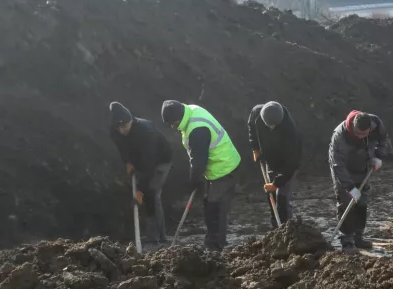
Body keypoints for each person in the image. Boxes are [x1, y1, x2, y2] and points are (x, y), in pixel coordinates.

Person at [161, 100, 241, 252]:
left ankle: (217, 247)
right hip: (215, 167)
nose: (173, 127)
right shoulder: (190, 111)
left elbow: (198, 161)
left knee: (216, 208)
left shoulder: (197, 129)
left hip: (224, 167)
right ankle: (212, 242)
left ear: (179, 117)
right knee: (209, 205)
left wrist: (194, 180)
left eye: (173, 123)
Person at [109, 102, 172, 244]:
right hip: (141, 161)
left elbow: (149, 166)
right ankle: (158, 236)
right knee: (149, 195)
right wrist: (128, 163)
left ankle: (155, 238)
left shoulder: (145, 132)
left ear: (132, 121)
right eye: (119, 127)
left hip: (161, 160)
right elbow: (122, 148)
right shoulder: (115, 131)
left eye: (125, 126)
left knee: (151, 193)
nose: (122, 130)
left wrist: (140, 192)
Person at [329, 110, 386, 253]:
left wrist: (378, 156)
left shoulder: (376, 124)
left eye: (365, 134)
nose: (362, 137)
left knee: (362, 201)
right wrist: (349, 187)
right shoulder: (340, 136)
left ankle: (358, 237)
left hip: (364, 165)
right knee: (346, 202)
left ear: (370, 128)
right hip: (344, 169)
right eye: (358, 134)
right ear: (353, 127)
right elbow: (338, 165)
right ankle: (347, 241)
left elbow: (383, 139)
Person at [248, 101, 302, 228]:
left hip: (285, 163)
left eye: (274, 126)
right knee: (271, 196)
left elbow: (292, 164)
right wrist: (255, 148)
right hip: (269, 159)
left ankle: (286, 228)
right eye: (269, 125)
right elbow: (251, 129)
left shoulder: (290, 130)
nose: (271, 127)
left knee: (282, 196)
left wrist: (276, 183)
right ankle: (275, 228)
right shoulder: (256, 113)